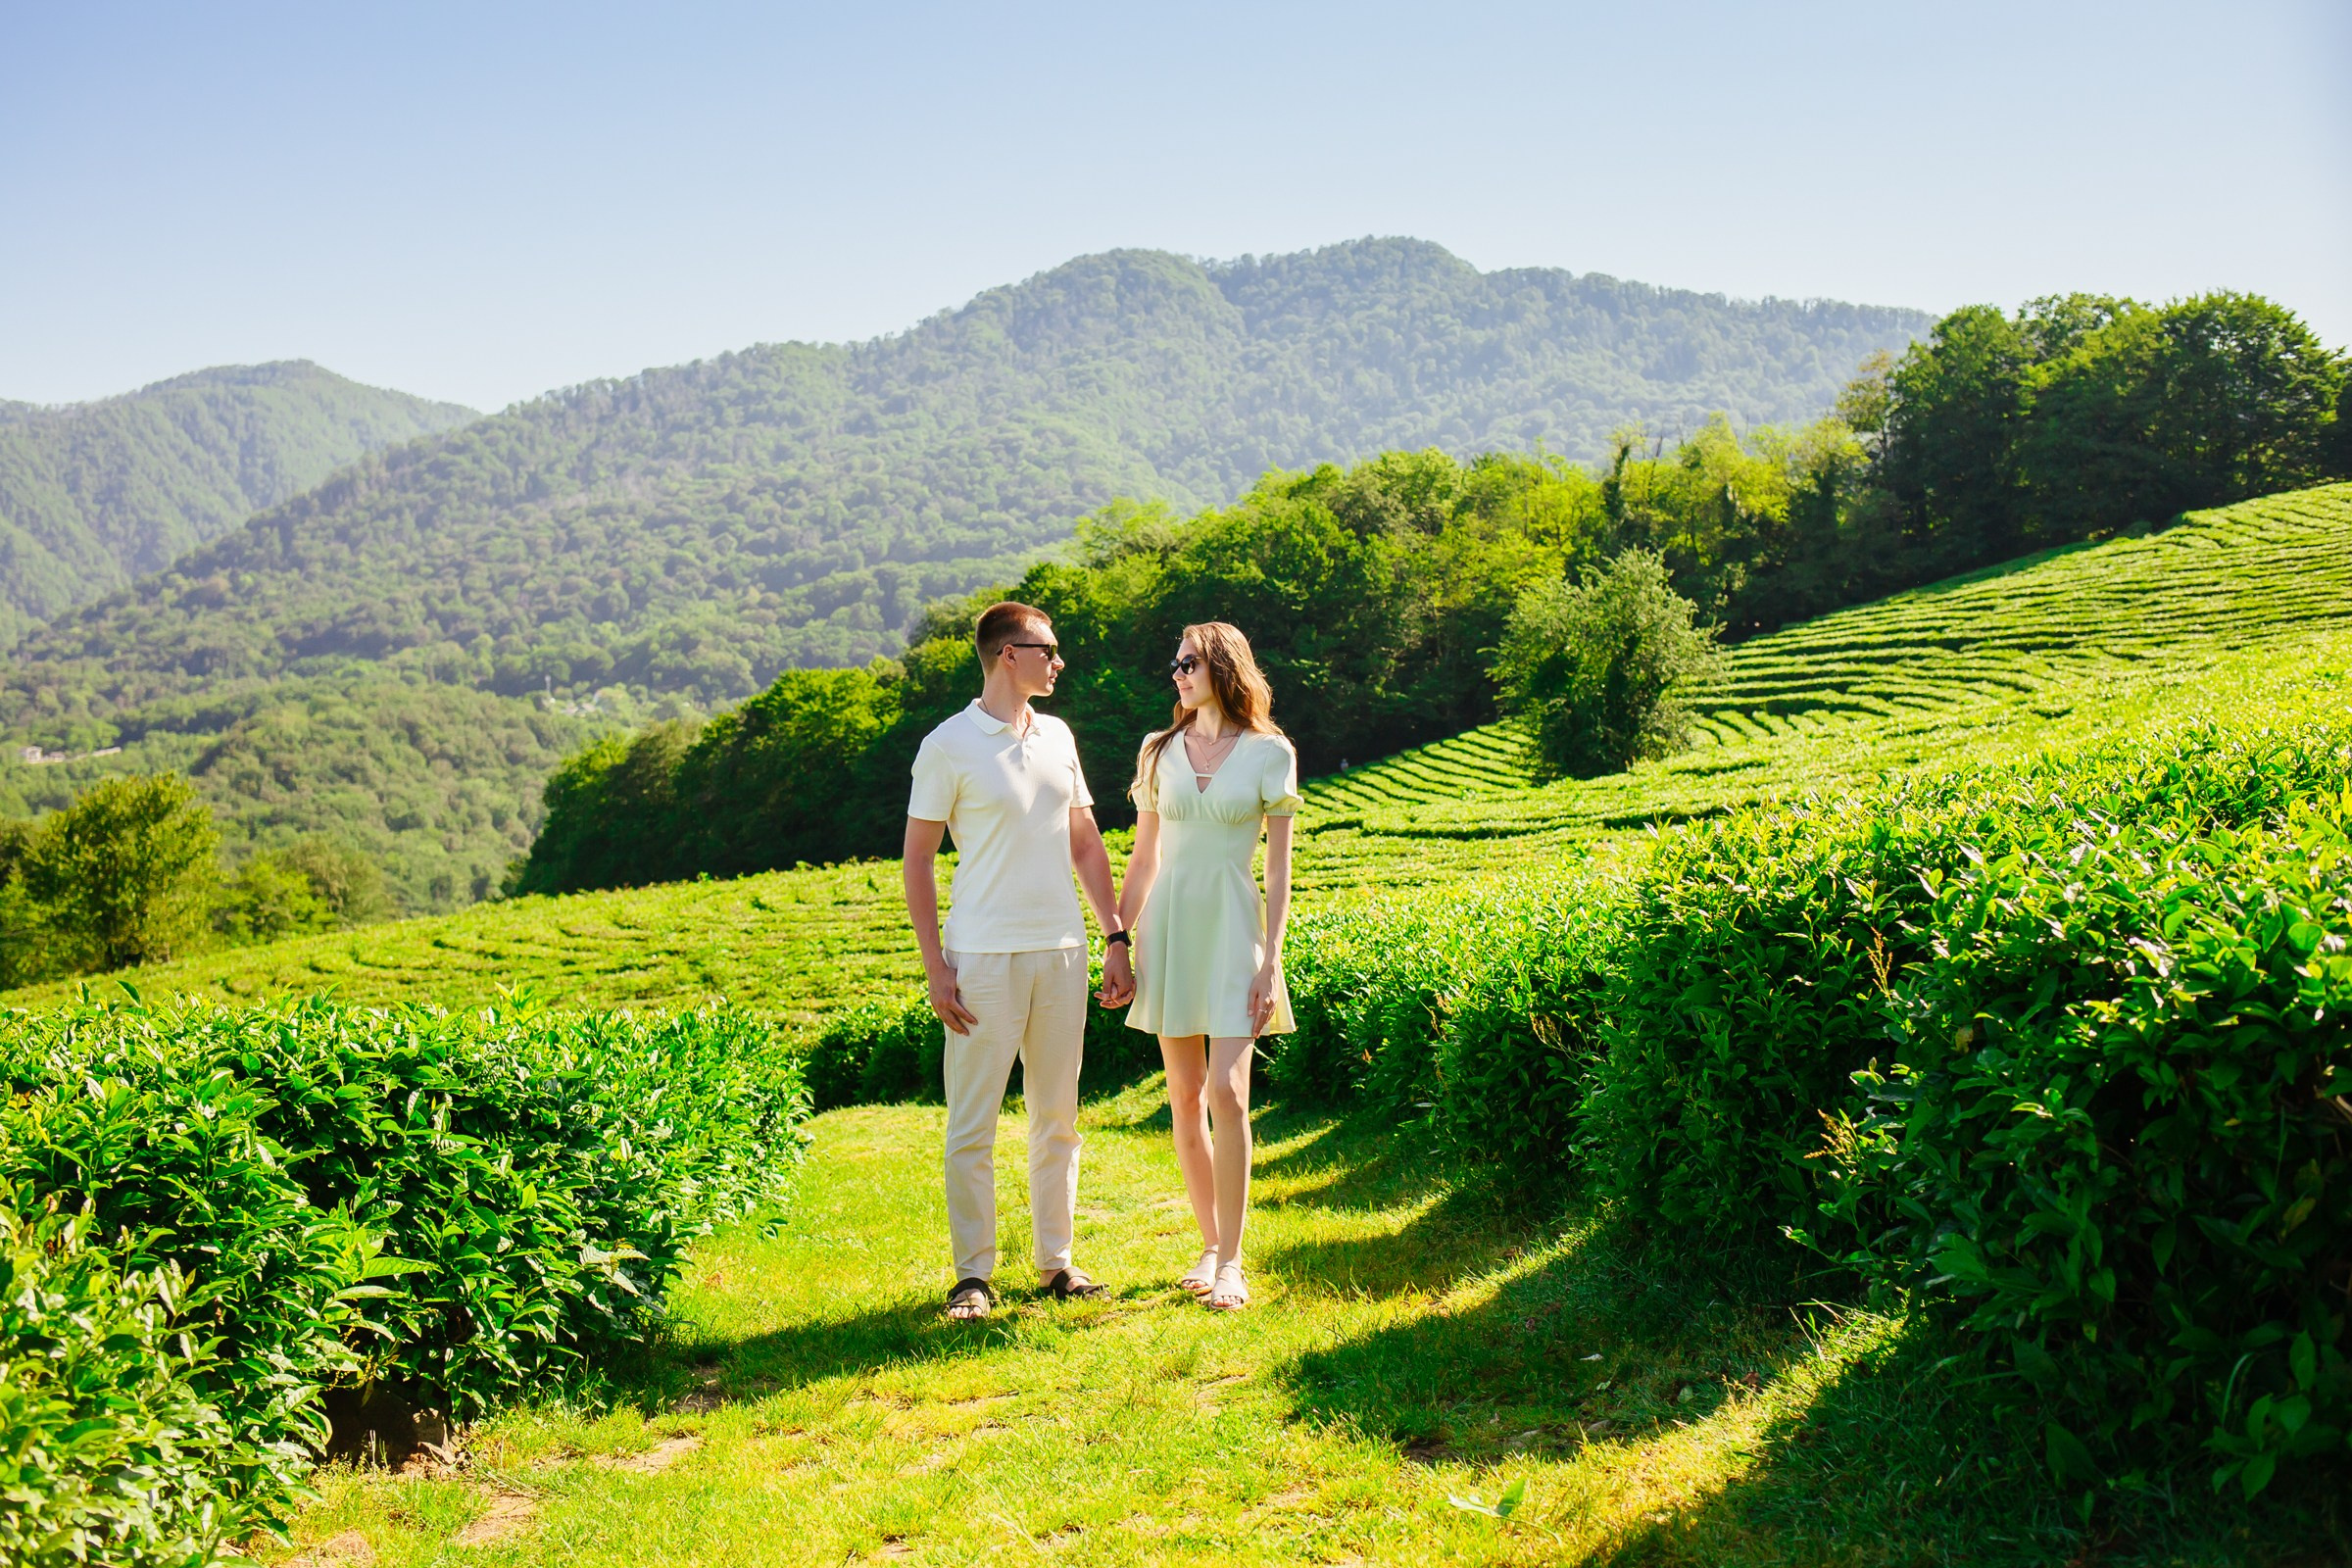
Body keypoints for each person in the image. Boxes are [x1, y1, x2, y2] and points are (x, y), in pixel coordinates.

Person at [903, 601, 1135, 1320]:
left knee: (1058, 1117)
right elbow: (916, 860)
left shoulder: (1059, 735)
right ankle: (972, 1275)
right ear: (1009, 653)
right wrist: (936, 965)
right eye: (1048, 649)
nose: (1059, 661)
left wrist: (1115, 936)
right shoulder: (947, 745)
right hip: (981, 957)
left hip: (1061, 952)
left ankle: (1056, 1264)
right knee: (972, 1124)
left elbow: (1086, 841)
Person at [1114, 621, 1298, 1311]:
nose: (1176, 674)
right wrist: (1117, 939)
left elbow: (1278, 871)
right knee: (1185, 1098)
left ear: (1221, 667)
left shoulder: (1269, 752)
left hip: (1233, 933)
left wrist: (1270, 960)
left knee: (1229, 1092)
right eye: (1174, 663)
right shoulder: (1156, 750)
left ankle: (1233, 1262)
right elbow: (1143, 857)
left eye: (1187, 662)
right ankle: (1209, 1242)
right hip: (1167, 932)